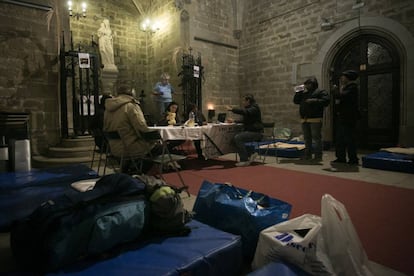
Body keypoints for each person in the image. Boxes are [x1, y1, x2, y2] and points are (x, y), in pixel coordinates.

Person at [103, 85, 170, 173]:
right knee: (161, 147)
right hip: (130, 147)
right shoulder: (130, 106)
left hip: (114, 147)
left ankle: (127, 170)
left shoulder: (108, 108)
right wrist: (155, 138)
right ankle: (136, 173)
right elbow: (141, 128)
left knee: (152, 147)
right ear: (132, 93)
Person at [293, 77, 330, 162]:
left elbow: (326, 101)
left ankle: (318, 156)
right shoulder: (304, 93)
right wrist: (298, 92)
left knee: (316, 138)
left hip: (315, 118)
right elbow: (296, 101)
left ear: (312, 84)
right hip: (305, 119)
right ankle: (308, 155)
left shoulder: (320, 91)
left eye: (307, 84)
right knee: (307, 138)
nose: (306, 86)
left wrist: (314, 100)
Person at [226, 94, 263, 167]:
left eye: (244, 101)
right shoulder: (250, 108)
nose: (243, 102)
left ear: (248, 101)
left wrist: (232, 109)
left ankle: (244, 160)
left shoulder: (254, 108)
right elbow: (245, 121)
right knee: (233, 140)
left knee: (238, 138)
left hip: (256, 132)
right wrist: (234, 121)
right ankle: (250, 154)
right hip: (250, 131)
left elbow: (245, 112)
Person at [332, 70, 360, 165]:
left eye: (343, 77)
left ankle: (353, 159)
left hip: (348, 118)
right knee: (340, 139)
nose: (341, 78)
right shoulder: (345, 87)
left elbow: (340, 96)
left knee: (349, 139)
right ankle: (341, 158)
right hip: (342, 117)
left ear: (348, 78)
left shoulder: (352, 87)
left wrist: (335, 89)